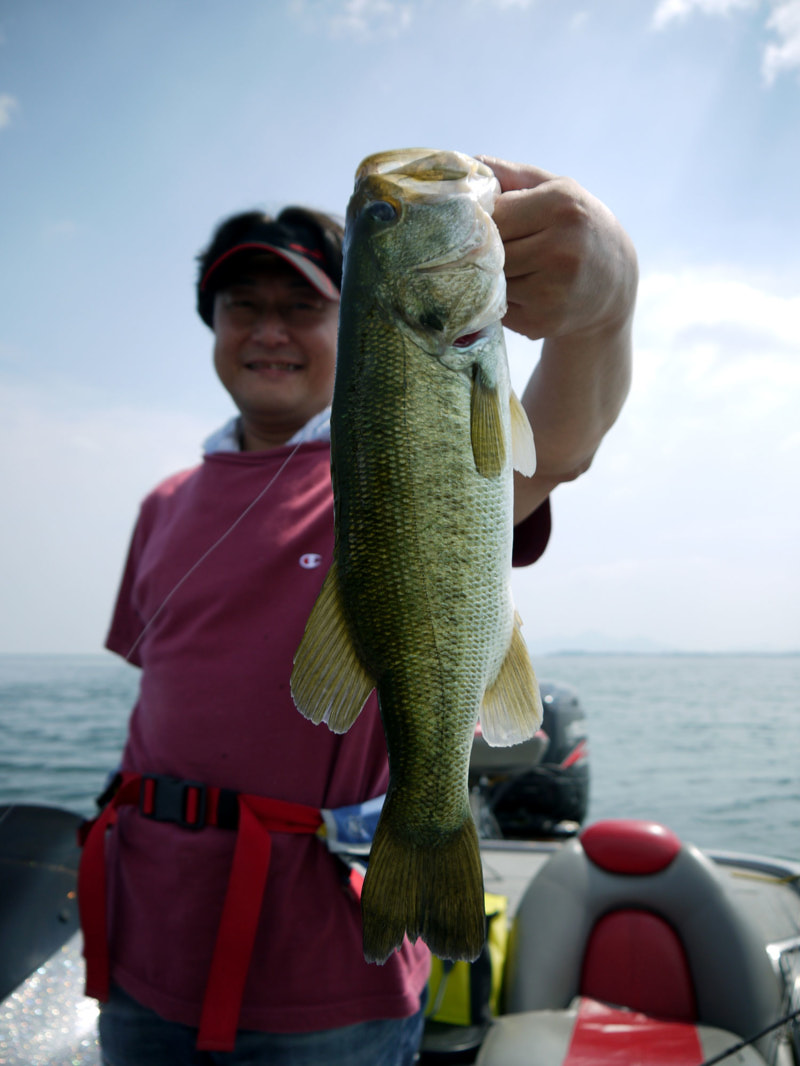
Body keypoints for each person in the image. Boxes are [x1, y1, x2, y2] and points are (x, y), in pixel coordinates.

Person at [80, 156, 637, 1065]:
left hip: (329, 980)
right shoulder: (163, 503)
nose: (269, 331)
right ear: (212, 328)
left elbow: (560, 447)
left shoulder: (383, 453)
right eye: (242, 308)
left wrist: (606, 312)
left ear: (353, 313)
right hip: (143, 951)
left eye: (301, 305)